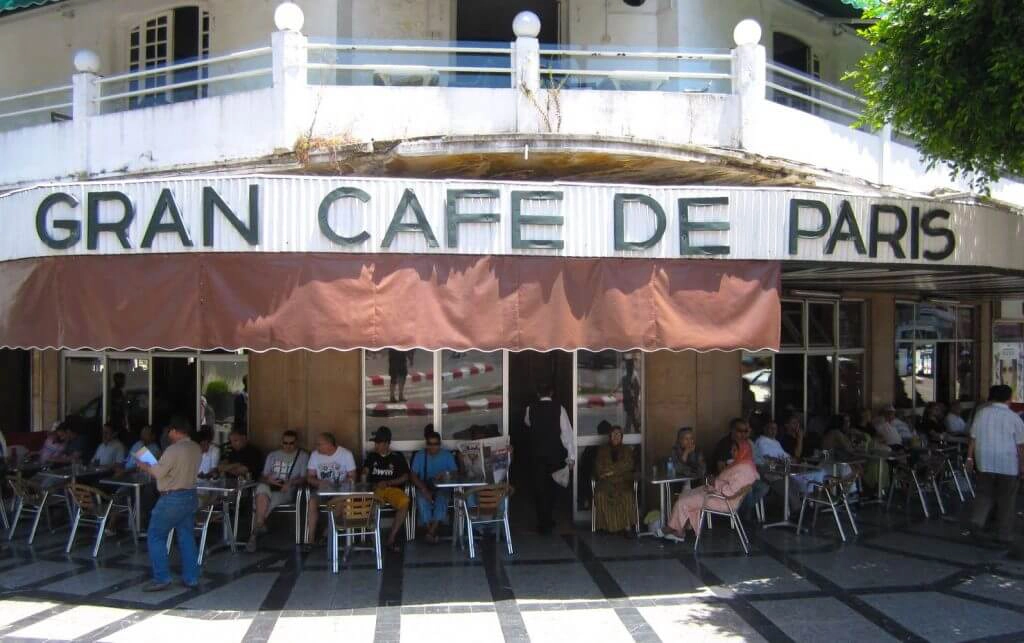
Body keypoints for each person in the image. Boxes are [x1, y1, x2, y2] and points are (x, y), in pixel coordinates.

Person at [136, 415, 201, 592]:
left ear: (174, 431)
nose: (167, 434)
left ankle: (162, 578)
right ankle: (191, 577)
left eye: (169, 431)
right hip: (190, 495)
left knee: (156, 535)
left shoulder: (173, 450)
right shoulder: (195, 447)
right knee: (186, 537)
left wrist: (144, 465)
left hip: (172, 498)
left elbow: (158, 472)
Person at [664, 435, 759, 541]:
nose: (731, 452)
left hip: (724, 501)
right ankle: (679, 529)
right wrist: (715, 482)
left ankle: (674, 529)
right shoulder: (741, 463)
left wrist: (715, 482)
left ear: (744, 451)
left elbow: (730, 492)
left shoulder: (744, 469)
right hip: (717, 494)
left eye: (735, 450)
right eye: (731, 449)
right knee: (685, 495)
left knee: (684, 501)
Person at [966, 384, 1024, 546]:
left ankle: (977, 522)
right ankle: (1004, 534)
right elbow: (1020, 446)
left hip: (984, 461)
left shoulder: (981, 414)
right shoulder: (1013, 418)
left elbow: (973, 437)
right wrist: (1022, 466)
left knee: (984, 494)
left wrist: (970, 458)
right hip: (1008, 464)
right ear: (1009, 398)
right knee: (1006, 500)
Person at [524, 382, 575, 535]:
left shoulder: (530, 408)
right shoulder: (559, 408)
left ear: (538, 394)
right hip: (554, 456)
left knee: (539, 489)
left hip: (536, 456)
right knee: (552, 489)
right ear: (551, 393)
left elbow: (527, 423)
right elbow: (567, 435)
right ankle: (549, 519)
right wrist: (571, 457)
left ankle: (542, 522)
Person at [248, 430, 308, 552]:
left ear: (296, 443)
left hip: (286, 490)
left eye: (291, 443)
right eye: (285, 443)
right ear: (281, 442)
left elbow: (304, 478)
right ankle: (260, 525)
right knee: (261, 489)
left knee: (267, 499)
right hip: (270, 486)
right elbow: (263, 476)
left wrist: (290, 482)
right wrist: (268, 479)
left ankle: (254, 535)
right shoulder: (272, 455)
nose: (288, 445)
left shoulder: (302, 456)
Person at [362, 426, 411, 552]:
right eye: (376, 442)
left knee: (405, 502)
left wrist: (389, 482)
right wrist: (365, 481)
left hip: (392, 488)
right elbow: (365, 473)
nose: (376, 445)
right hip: (376, 489)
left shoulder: (397, 456)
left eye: (379, 442)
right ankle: (372, 539)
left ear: (387, 443)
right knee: (371, 504)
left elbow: (405, 476)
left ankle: (391, 538)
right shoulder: (372, 456)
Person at [305, 432, 357, 545]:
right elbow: (309, 477)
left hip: (340, 492)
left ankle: (326, 533)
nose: (316, 447)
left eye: (319, 444)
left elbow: (352, 476)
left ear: (329, 444)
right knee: (312, 502)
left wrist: (340, 484)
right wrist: (319, 482)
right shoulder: (315, 455)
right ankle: (310, 538)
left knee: (338, 502)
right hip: (322, 491)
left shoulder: (345, 454)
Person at [410, 430, 458, 544]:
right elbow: (412, 475)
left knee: (442, 499)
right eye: (430, 444)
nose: (432, 447)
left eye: (435, 444)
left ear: (439, 444)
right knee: (422, 499)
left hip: (443, 488)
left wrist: (446, 473)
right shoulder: (420, 455)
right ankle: (431, 531)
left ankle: (431, 531)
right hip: (425, 486)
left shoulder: (447, 455)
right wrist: (423, 489)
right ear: (426, 445)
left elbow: (455, 473)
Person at [592, 425, 637, 536]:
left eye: (618, 434)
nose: (616, 436)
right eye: (613, 434)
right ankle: (606, 527)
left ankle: (626, 527)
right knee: (601, 495)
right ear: (609, 436)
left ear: (622, 437)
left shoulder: (627, 450)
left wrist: (610, 471)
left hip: (623, 482)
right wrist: (616, 469)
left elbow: (628, 465)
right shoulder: (602, 450)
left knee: (626, 496)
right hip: (605, 482)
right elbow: (599, 468)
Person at [108, 372, 129, 440]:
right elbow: (119, 407)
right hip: (117, 421)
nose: (124, 382)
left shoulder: (118, 391)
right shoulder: (116, 392)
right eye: (123, 380)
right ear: (118, 381)